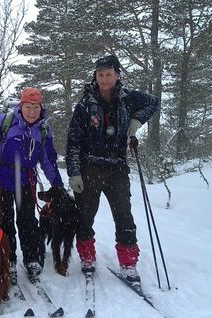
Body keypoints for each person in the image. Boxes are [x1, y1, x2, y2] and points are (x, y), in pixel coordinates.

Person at [66, 55, 159, 282]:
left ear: (117, 75)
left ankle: (128, 263)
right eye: (100, 75)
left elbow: (153, 102)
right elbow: (73, 141)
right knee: (85, 217)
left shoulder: (128, 99)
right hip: (90, 167)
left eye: (109, 74)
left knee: (124, 216)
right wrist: (74, 172)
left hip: (117, 168)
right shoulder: (85, 105)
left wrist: (137, 120)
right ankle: (87, 258)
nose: (104, 79)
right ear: (95, 77)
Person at [0, 87, 64, 284]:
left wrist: (57, 184)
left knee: (28, 221)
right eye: (28, 106)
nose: (32, 111)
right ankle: (8, 259)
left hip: (26, 180)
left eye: (36, 107)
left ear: (41, 108)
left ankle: (32, 258)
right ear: (21, 106)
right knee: (5, 222)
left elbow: (48, 160)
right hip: (1, 179)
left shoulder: (43, 129)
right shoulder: (4, 122)